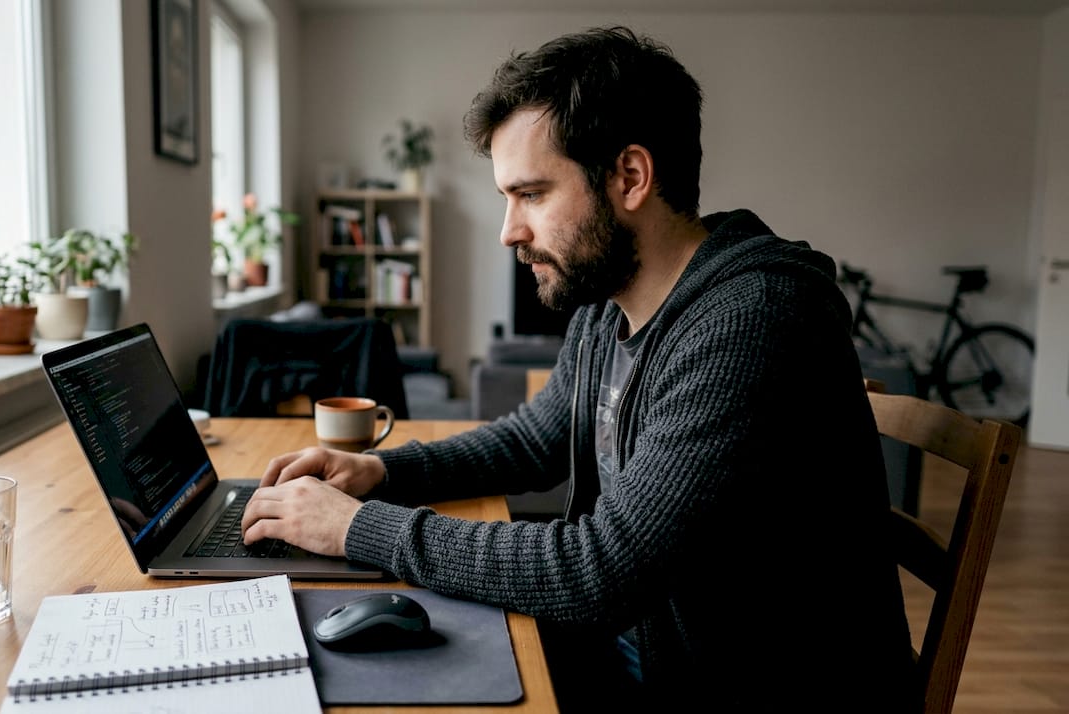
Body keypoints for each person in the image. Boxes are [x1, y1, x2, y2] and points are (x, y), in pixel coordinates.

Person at [243, 26, 913, 710]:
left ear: (629, 177)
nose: (509, 230)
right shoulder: (610, 303)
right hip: (640, 646)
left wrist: (358, 528)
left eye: (530, 194)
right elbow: (533, 440)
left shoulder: (756, 317)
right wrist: (384, 473)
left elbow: (602, 569)